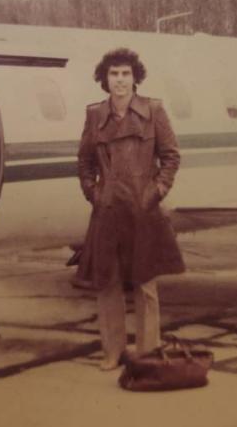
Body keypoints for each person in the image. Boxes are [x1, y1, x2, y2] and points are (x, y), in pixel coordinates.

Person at [75, 48, 185, 370]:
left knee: (145, 283)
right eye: (113, 74)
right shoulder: (95, 115)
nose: (120, 80)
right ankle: (113, 353)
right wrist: (94, 194)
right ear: (104, 80)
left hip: (143, 210)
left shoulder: (154, 110)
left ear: (135, 78)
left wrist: (156, 191)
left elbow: (172, 156)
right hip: (107, 211)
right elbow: (84, 160)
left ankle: (148, 353)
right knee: (107, 283)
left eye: (125, 73)